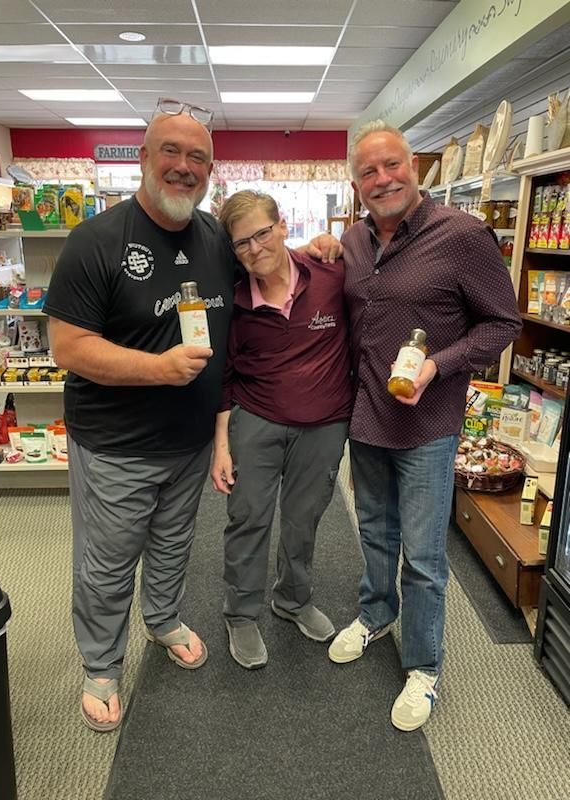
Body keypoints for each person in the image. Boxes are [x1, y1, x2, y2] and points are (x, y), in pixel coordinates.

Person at [44, 100, 340, 732]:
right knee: (108, 561)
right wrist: (159, 368)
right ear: (144, 159)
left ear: (210, 170)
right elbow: (68, 347)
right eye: (170, 152)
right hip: (115, 443)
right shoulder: (96, 241)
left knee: (174, 545)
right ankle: (101, 665)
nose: (183, 166)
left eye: (197, 157)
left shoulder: (213, 238)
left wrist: (314, 248)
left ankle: (162, 620)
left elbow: (267, 260)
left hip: (190, 442)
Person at [327, 121, 522, 731]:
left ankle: (424, 666)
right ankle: (375, 613)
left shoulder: (461, 235)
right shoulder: (353, 241)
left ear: (414, 167)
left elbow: (503, 323)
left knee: (425, 555)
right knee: (375, 532)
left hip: (428, 425)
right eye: (368, 171)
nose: (382, 179)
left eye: (392, 165)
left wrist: (439, 364)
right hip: (368, 417)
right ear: (356, 185)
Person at [211, 190, 351, 669]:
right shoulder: (233, 300)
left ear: (283, 226)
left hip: (325, 423)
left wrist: (331, 241)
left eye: (262, 233)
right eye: (242, 242)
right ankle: (241, 612)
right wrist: (221, 445)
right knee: (248, 516)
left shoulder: (331, 275)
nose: (255, 248)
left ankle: (292, 598)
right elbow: (223, 374)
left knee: (303, 517)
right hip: (257, 418)